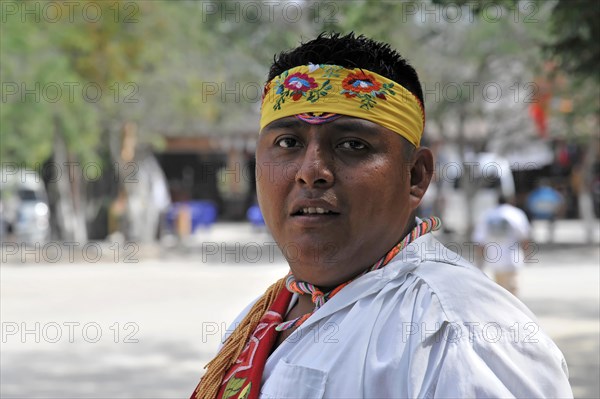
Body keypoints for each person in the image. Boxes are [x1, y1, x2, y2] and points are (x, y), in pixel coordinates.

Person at [191, 33, 572, 399]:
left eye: (352, 144)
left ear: (416, 176)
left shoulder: (456, 330)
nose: (312, 170)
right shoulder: (267, 315)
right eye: (288, 142)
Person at [472, 195, 532, 296]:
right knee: (513, 291)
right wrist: (527, 254)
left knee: (501, 293)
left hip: (495, 260)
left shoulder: (487, 215)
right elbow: (525, 237)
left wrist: (480, 263)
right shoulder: (516, 213)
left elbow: (480, 242)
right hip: (513, 259)